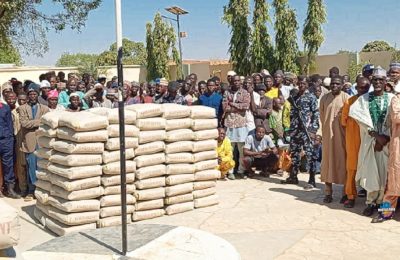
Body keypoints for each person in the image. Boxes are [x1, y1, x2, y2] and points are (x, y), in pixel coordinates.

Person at [349, 66, 394, 217]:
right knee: (370, 172)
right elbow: (358, 116)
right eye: (375, 80)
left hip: (388, 142)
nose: (378, 82)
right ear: (371, 80)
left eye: (381, 79)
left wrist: (384, 139)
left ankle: (383, 203)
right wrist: (376, 136)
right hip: (369, 141)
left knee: (385, 173)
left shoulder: (392, 98)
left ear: (385, 81)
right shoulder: (363, 100)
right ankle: (370, 202)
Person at [281, 76, 319, 189]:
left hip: (307, 131)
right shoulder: (294, 97)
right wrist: (289, 129)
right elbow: (290, 114)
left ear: (307, 85)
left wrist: (313, 129)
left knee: (309, 154)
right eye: (300, 83)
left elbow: (316, 114)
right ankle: (293, 176)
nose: (301, 85)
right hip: (295, 130)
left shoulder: (311, 97)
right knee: (295, 153)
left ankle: (311, 179)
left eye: (303, 83)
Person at [341, 76, 370, 208]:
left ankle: (372, 199)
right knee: (352, 168)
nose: (363, 90)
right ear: (356, 87)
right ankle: (351, 196)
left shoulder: (372, 101)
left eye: (366, 88)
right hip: (353, 141)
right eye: (360, 87)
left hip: (370, 141)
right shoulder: (350, 102)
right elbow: (344, 122)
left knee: (371, 169)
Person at [319, 76, 349, 203]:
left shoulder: (346, 98)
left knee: (343, 162)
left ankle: (345, 193)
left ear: (342, 85)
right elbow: (321, 117)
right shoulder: (324, 98)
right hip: (327, 136)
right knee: (327, 163)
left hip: (342, 136)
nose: (334, 86)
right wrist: (320, 133)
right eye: (333, 84)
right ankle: (328, 192)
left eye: (337, 84)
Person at [373, 90, 400, 222]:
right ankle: (386, 212)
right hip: (398, 146)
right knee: (394, 182)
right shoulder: (396, 99)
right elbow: (396, 117)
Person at [19, 85, 49, 200]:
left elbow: (47, 123)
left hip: (42, 142)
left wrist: (33, 122)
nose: (32, 96)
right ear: (27, 96)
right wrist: (40, 121)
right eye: (30, 94)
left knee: (42, 167)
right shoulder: (22, 108)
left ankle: (41, 190)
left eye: (34, 94)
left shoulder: (44, 108)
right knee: (31, 167)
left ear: (38, 95)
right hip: (29, 142)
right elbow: (24, 124)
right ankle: (31, 191)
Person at [222, 75, 251, 179]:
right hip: (229, 123)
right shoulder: (227, 92)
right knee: (229, 149)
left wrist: (233, 104)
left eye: (238, 81)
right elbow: (225, 107)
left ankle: (241, 170)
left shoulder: (245, 93)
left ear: (241, 82)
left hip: (241, 124)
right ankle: (230, 171)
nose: (236, 83)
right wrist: (238, 106)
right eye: (235, 81)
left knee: (241, 149)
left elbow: (246, 106)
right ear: (231, 82)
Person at [5, 92, 27, 195]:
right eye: (20, 100)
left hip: (24, 141)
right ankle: (18, 187)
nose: (22, 102)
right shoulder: (12, 111)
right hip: (13, 141)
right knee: (16, 165)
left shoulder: (25, 110)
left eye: (24, 100)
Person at [0, 94, 20, 198]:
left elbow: (10, 125)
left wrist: (10, 139)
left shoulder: (5, 108)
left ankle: (10, 189)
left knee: (8, 165)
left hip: (5, 140)